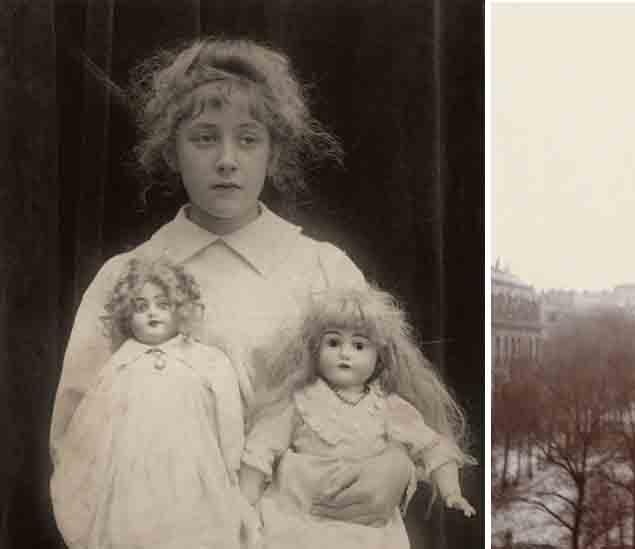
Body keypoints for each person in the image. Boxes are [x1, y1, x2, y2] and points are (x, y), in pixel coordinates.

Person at [50, 37, 413, 532]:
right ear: (172, 150)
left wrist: (399, 464)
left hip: (314, 532)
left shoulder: (326, 271)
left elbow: (396, 404)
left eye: (247, 138)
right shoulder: (127, 280)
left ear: (273, 152)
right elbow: (77, 440)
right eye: (204, 137)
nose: (226, 159)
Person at [240, 285, 476, 548]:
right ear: (314, 349)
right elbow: (261, 448)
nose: (345, 353)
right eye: (333, 342)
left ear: (380, 356)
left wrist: (451, 492)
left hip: (366, 529)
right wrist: (244, 502)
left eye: (359, 345)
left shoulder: (389, 408)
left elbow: (433, 448)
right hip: (302, 519)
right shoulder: (299, 401)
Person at [50, 258, 257, 548]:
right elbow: (92, 421)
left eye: (163, 304)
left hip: (193, 471)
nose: (152, 314)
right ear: (125, 315)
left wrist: (230, 464)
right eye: (140, 306)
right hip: (131, 476)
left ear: (180, 307)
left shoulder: (207, 359)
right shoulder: (120, 364)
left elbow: (229, 413)